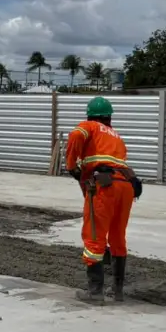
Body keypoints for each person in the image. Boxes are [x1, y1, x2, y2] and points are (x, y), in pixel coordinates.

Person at [64, 96, 143, 303]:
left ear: (90, 114)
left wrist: (72, 166)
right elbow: (121, 163)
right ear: (109, 117)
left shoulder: (88, 126)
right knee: (118, 236)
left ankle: (95, 293)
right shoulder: (115, 135)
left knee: (94, 236)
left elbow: (75, 134)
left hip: (104, 185)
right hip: (126, 186)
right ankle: (118, 292)